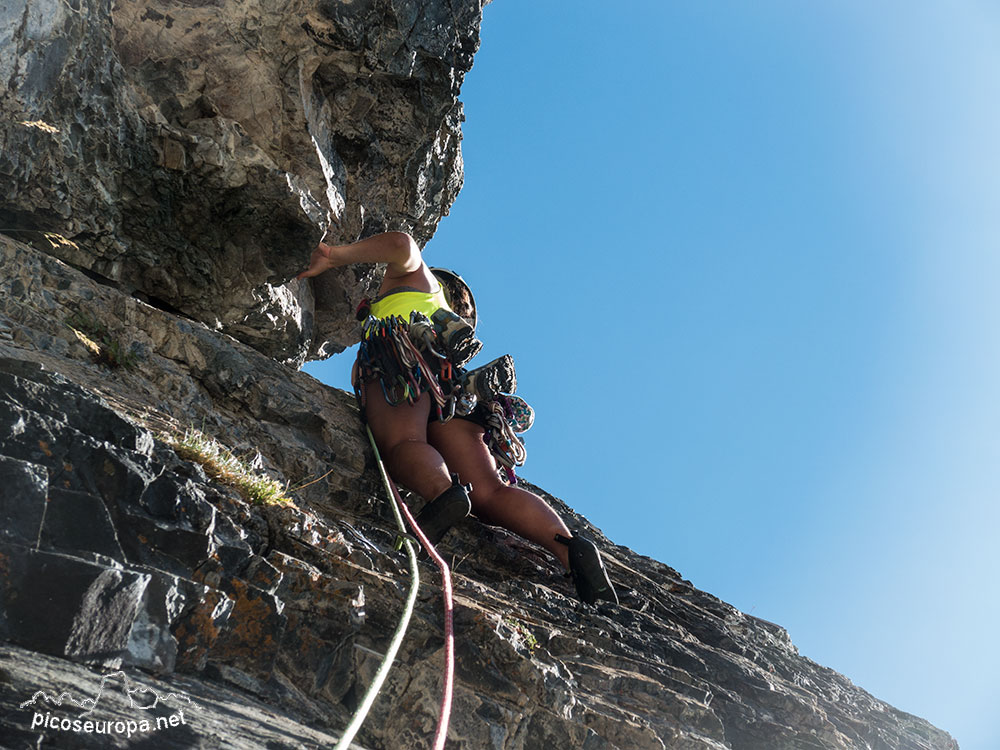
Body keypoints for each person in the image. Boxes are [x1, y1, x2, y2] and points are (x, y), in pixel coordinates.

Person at [298, 231, 617, 605]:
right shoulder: (442, 324)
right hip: (455, 391)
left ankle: (443, 495)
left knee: (405, 442)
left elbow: (402, 245)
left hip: (403, 360)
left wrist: (333, 255)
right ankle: (571, 552)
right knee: (491, 492)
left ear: (442, 285)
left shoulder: (416, 284)